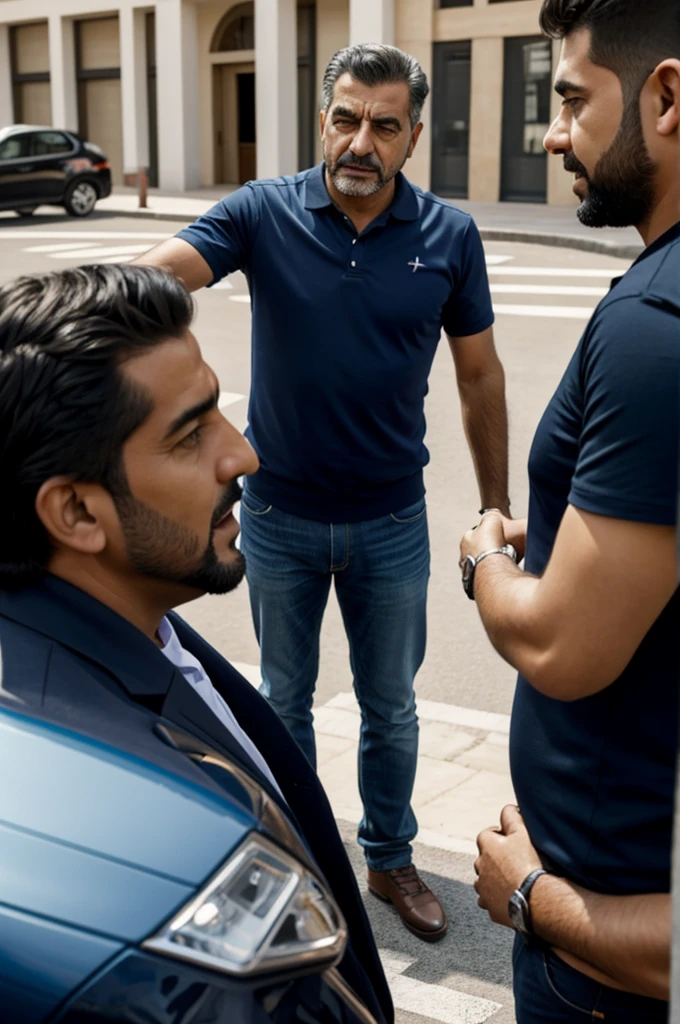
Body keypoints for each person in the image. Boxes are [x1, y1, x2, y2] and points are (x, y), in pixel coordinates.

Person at [134, 43, 509, 942]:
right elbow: (159, 274)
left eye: (385, 125)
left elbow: (482, 379)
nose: (360, 141)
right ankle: (301, 852)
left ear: (413, 136)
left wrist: (495, 504)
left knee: (392, 707)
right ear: (323, 121)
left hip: (391, 521)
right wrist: (78, 304)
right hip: (278, 517)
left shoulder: (448, 236)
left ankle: (388, 860)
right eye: (347, 118)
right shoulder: (263, 213)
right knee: (282, 697)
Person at [0, 263, 393, 1024]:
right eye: (190, 435)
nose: (242, 455)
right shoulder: (125, 814)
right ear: (77, 513)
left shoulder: (126, 616)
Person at [458, 0, 680, 1020]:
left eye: (569, 101)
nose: (550, 136)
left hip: (601, 944)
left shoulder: (651, 324)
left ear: (665, 97)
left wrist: (483, 564)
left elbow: (560, 647)